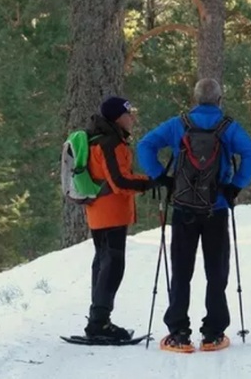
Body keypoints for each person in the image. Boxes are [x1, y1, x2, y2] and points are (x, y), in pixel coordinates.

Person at [137, 78, 251, 353]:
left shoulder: (178, 124)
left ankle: (178, 333)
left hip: (184, 208)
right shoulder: (228, 127)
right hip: (215, 208)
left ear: (195, 99)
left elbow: (145, 146)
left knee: (181, 271)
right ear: (219, 99)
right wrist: (235, 186)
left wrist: (161, 178)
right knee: (216, 271)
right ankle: (213, 333)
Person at [83, 96, 157, 341]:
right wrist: (149, 181)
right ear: (117, 117)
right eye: (128, 114)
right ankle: (100, 324)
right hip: (110, 212)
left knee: (103, 263)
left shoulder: (99, 139)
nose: (132, 118)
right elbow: (120, 181)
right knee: (112, 266)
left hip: (99, 212)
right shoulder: (111, 143)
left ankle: (98, 320)